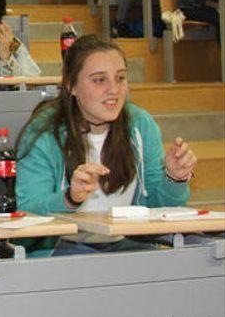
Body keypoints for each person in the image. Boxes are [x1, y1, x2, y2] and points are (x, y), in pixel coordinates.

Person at [16, 35, 194, 253]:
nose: (114, 89)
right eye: (99, 80)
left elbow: (158, 209)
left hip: (125, 244)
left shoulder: (140, 124)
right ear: (71, 86)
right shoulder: (43, 132)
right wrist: (70, 198)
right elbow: (27, 214)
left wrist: (174, 178)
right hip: (62, 248)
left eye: (120, 78)